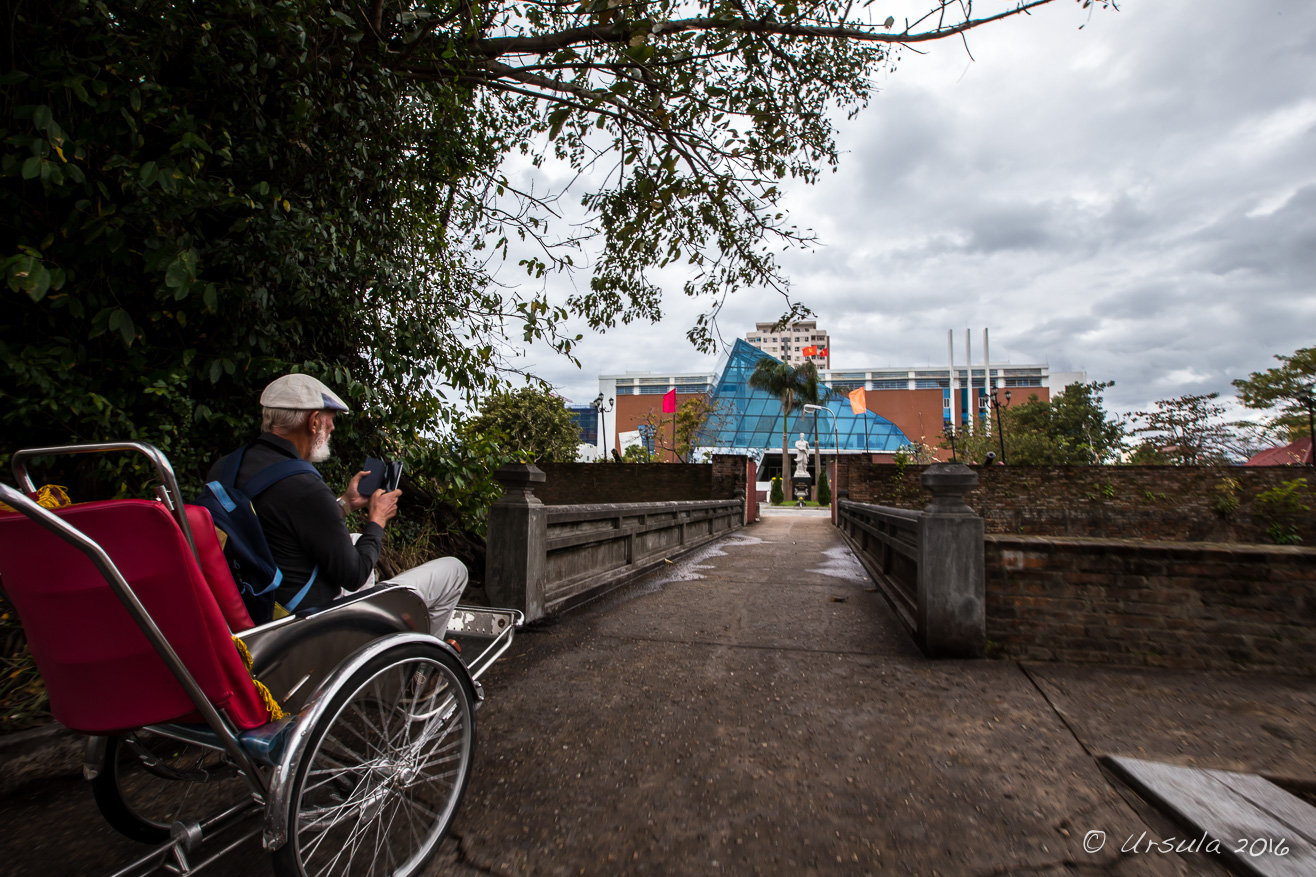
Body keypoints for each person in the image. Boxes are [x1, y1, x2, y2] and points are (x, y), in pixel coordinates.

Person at [209, 374, 468, 636]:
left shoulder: (224, 468)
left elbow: (274, 525)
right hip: (306, 623)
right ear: (313, 422)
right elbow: (354, 576)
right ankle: (420, 666)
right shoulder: (305, 487)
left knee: (355, 539)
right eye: (330, 421)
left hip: (257, 605)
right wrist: (377, 520)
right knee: (454, 570)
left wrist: (345, 504)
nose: (332, 428)